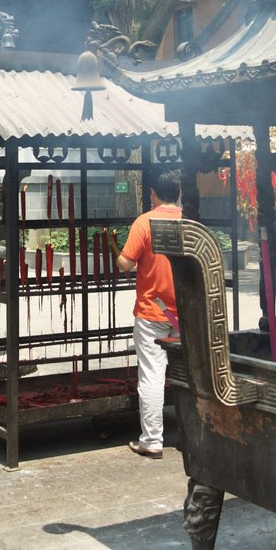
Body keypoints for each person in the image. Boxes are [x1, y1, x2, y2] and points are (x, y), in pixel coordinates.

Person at [117, 169, 183, 460]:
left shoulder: (144, 222)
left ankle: (152, 441)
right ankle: (192, 434)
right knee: (188, 376)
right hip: (183, 314)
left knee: (153, 376)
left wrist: (117, 255)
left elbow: (126, 264)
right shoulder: (188, 221)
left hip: (152, 312)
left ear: (154, 192)